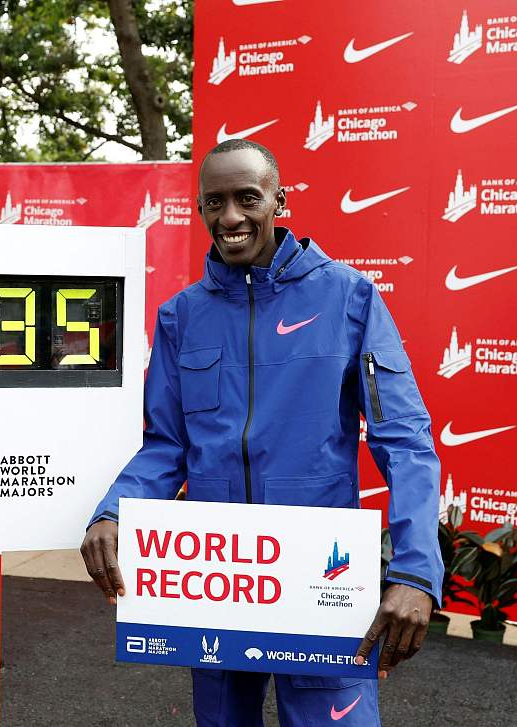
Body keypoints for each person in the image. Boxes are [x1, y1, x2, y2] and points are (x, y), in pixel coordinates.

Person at [80, 139, 443, 726]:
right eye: (213, 202)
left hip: (322, 582)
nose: (230, 217)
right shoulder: (180, 316)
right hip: (217, 584)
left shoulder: (350, 297)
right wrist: (114, 512)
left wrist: (416, 572)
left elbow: (404, 442)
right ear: (198, 209)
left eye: (247, 198)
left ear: (279, 200)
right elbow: (168, 446)